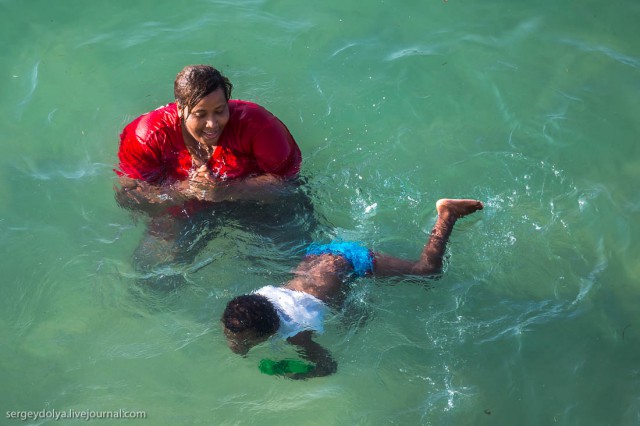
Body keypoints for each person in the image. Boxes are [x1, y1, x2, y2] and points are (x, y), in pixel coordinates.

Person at [221, 198, 484, 379]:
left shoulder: (297, 336)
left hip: (349, 261)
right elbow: (245, 323)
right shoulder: (252, 303)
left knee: (427, 272)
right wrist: (242, 343)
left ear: (271, 331)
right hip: (316, 258)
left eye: (242, 339)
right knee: (350, 315)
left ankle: (447, 214)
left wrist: (293, 372)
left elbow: (327, 366)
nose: (234, 341)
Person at [114, 65, 312, 289]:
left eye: (220, 111)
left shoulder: (258, 124)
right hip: (183, 208)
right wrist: (185, 191)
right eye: (200, 114)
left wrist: (227, 190)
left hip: (253, 202)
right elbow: (130, 198)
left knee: (294, 265)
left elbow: (287, 185)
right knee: (149, 276)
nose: (212, 124)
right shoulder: (146, 135)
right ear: (180, 108)